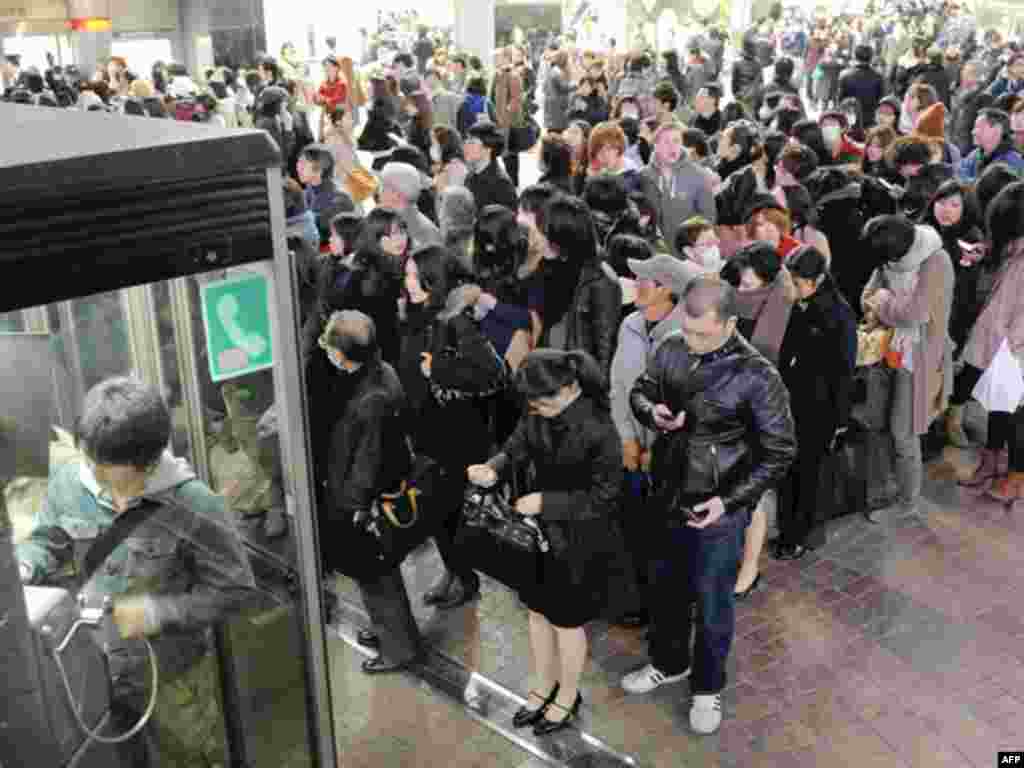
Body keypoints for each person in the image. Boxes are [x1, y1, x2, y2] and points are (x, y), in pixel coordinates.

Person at [17, 376, 258, 765]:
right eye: (93, 466)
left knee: (189, 758)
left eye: (114, 476)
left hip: (171, 677)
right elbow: (49, 539)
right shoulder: (68, 482)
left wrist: (158, 613)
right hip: (94, 666)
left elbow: (236, 591)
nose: (100, 484)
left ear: (148, 463)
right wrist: (27, 561)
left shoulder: (194, 505)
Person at [623, 276, 796, 734]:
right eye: (689, 330)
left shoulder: (758, 374)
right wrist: (650, 411)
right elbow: (641, 388)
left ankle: (707, 687)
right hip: (667, 492)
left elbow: (779, 451)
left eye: (705, 333)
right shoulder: (674, 346)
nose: (693, 342)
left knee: (713, 600)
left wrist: (730, 502)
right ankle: (669, 662)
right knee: (664, 588)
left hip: (719, 505)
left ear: (731, 323)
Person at [467, 350, 629, 735]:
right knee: (537, 612)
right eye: (532, 404)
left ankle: (568, 694)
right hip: (537, 534)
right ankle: (543, 686)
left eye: (543, 402)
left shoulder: (599, 428)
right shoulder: (539, 414)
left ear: (570, 388)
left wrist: (547, 502)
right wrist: (493, 467)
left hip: (578, 538)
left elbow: (605, 497)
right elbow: (516, 445)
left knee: (566, 622)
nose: (536, 409)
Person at [308, 311, 425, 673]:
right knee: (376, 572)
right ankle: (389, 631)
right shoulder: (379, 371)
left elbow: (367, 459)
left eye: (330, 347)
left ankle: (399, 649)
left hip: (365, 500)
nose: (326, 352)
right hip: (375, 490)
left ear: (345, 354)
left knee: (375, 574)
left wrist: (354, 505)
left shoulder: (371, 398)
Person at [610, 253, 700, 624]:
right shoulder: (629, 324)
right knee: (635, 527)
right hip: (631, 449)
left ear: (665, 290)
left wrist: (657, 450)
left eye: (643, 279)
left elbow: (690, 404)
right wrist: (628, 440)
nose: (634, 284)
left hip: (671, 457)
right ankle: (640, 600)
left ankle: (681, 600)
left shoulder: (689, 335)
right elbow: (618, 386)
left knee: (673, 533)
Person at [861, 215, 954, 518]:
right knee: (877, 424)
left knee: (904, 432)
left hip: (919, 357)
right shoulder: (887, 255)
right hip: (886, 350)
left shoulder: (935, 260)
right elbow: (866, 295)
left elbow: (916, 314)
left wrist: (884, 301)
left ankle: (907, 502)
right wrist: (888, 305)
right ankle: (885, 487)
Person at [775, 246, 857, 558]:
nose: (792, 288)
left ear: (819, 279)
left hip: (820, 407)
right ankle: (789, 531)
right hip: (794, 401)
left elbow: (844, 371)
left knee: (808, 474)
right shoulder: (800, 305)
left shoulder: (838, 314)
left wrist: (840, 419)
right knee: (790, 471)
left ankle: (798, 535)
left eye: (799, 283)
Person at [953, 182, 1024, 499]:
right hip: (998, 342)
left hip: (1015, 346)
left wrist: (1012, 345)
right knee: (999, 407)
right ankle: (991, 460)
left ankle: (1016, 476)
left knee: (1017, 417)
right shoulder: (1015, 249)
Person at [539, 195, 622, 383]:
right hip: (553, 370)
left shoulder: (600, 279)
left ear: (563, 235)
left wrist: (596, 393)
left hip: (577, 379)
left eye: (545, 233)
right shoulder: (554, 265)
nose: (539, 239)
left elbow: (605, 347)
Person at [639, 122, 716, 259]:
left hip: (687, 255)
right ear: (656, 145)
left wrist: (696, 250)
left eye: (676, 141)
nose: (672, 146)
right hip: (654, 254)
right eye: (666, 141)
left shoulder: (699, 175)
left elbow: (708, 218)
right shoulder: (644, 175)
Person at [379, 161, 442, 248]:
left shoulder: (412, 232)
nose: (379, 192)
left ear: (397, 194)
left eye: (383, 187)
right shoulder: (407, 221)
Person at [959, 108, 1024, 181]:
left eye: (979, 127)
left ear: (997, 129)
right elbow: (960, 175)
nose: (973, 132)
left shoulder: (1014, 162)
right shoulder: (975, 155)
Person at [838, 44, 884, 129]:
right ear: (871, 58)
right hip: (870, 119)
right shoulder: (878, 77)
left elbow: (840, 100)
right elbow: (880, 100)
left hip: (850, 118)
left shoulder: (845, 75)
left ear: (855, 57)